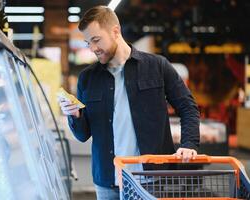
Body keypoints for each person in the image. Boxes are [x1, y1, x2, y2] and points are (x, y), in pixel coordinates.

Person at [58, 5, 200, 200]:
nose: (92, 49)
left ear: (115, 31)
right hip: (108, 181)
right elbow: (83, 135)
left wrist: (189, 143)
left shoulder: (157, 66)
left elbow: (188, 107)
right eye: (88, 43)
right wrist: (74, 115)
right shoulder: (87, 78)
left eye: (96, 40)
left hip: (152, 179)